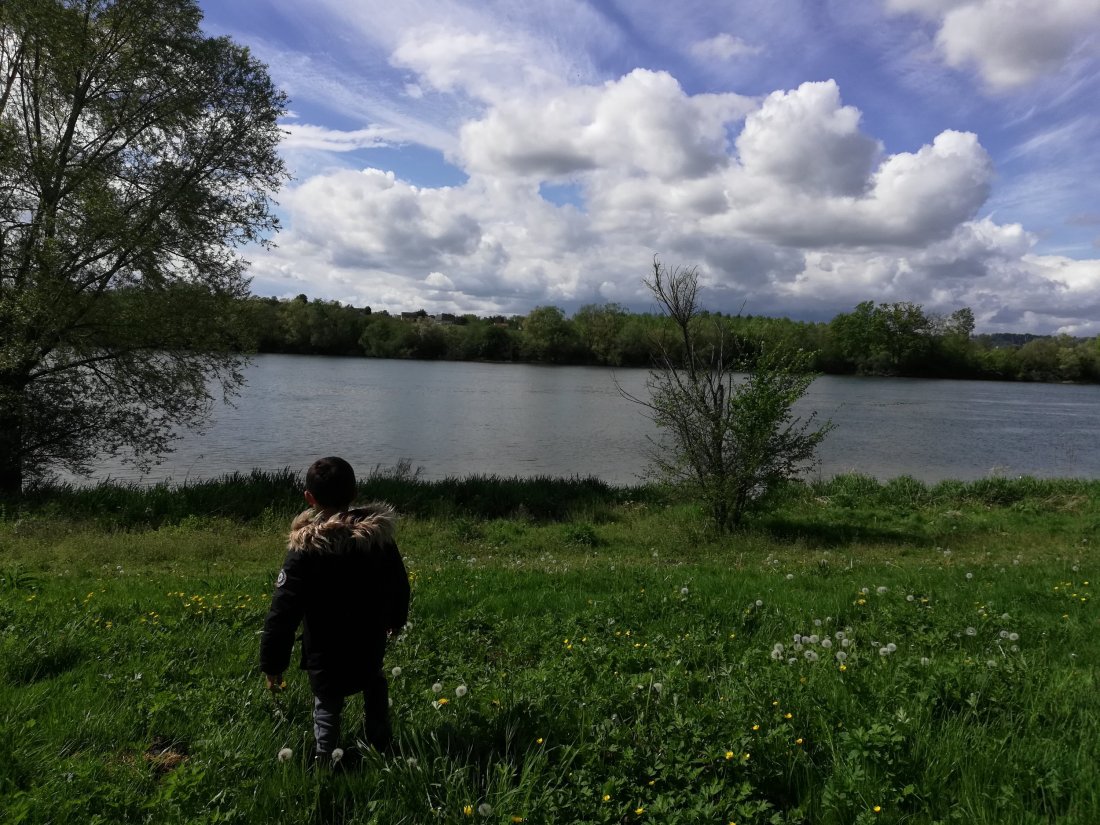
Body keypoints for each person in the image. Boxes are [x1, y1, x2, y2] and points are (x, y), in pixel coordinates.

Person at [260, 456, 410, 763]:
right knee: (373, 680)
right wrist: (396, 620)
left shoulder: (305, 550)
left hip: (324, 646)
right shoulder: (377, 540)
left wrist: (273, 663)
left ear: (309, 498)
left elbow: (283, 611)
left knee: (327, 701)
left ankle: (325, 759)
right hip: (369, 636)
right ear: (355, 493)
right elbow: (398, 583)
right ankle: (380, 744)